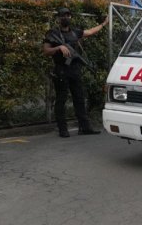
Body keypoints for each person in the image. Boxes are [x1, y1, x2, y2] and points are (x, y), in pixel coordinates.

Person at [42, 7, 108, 138]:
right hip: (61, 70)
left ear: (71, 17)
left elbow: (90, 32)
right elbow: (46, 51)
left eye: (68, 15)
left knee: (79, 99)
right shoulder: (52, 33)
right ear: (58, 18)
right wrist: (59, 47)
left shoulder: (75, 32)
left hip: (74, 70)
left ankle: (84, 127)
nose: (65, 18)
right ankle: (63, 129)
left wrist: (104, 24)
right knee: (61, 100)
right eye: (62, 16)